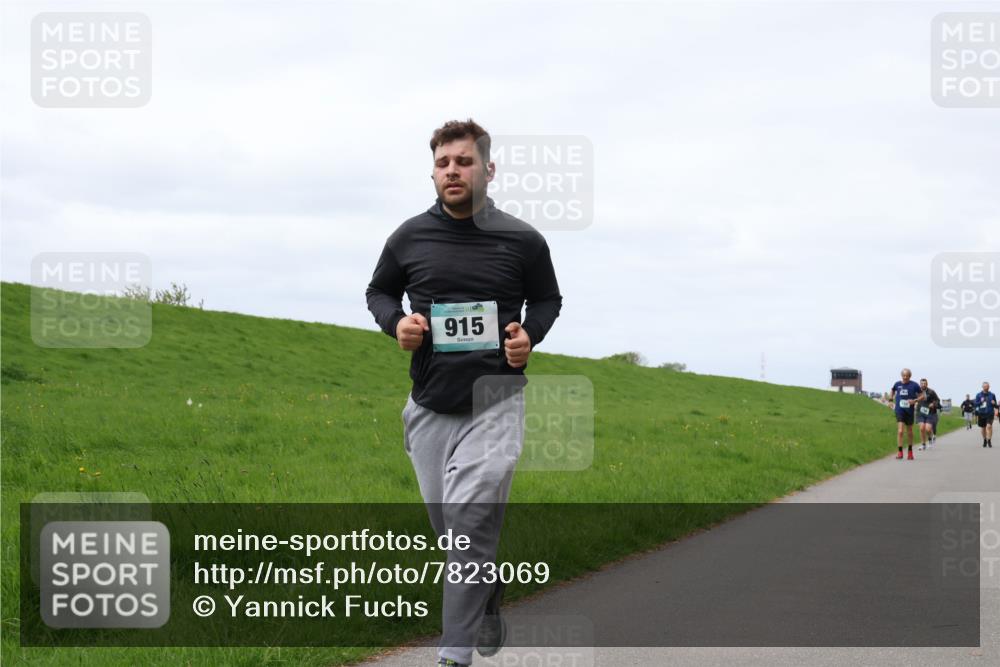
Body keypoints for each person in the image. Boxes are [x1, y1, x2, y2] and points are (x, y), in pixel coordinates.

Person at [366, 119, 563, 667]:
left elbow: (547, 300)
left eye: (464, 161)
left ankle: (453, 655)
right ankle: (489, 589)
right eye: (443, 163)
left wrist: (530, 336)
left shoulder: (522, 239)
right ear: (433, 172)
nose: (453, 171)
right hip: (429, 407)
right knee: (451, 533)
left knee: (471, 522)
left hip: (496, 403)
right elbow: (379, 290)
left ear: (487, 169)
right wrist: (396, 323)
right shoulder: (408, 237)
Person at [889, 368, 921, 460]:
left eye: (907, 376)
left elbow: (922, 396)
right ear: (901, 376)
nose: (905, 377)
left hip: (909, 411)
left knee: (909, 432)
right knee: (900, 431)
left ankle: (910, 452)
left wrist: (914, 400)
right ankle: (900, 452)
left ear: (910, 376)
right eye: (904, 375)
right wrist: (891, 400)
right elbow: (892, 390)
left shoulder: (914, 385)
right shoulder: (897, 384)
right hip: (900, 410)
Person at [914, 379, 941, 450]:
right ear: (920, 384)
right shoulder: (917, 392)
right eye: (921, 383)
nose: (923, 385)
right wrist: (914, 403)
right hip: (920, 413)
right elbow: (913, 399)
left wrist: (933, 404)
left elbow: (938, 400)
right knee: (922, 428)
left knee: (928, 429)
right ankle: (923, 444)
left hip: (930, 413)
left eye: (924, 383)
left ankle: (930, 440)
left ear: (927, 384)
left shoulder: (931, 392)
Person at [973, 381, 998, 448]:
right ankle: (985, 439)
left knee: (989, 426)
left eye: (987, 386)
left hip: (990, 413)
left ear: (989, 387)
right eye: (984, 386)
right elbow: (975, 404)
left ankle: (989, 440)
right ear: (982, 387)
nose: (986, 388)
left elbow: (996, 406)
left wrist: (994, 403)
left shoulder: (992, 395)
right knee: (983, 428)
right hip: (981, 413)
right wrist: (980, 402)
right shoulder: (978, 395)